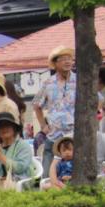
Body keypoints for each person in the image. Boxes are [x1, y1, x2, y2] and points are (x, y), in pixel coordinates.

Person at [33, 45, 77, 175]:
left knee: (74, 175)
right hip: (54, 135)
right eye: (63, 59)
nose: (68, 62)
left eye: (69, 58)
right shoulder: (48, 83)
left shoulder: (80, 80)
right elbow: (36, 105)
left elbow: (97, 100)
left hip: (75, 135)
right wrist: (43, 125)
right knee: (47, 176)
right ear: (55, 63)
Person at [0, 111, 33, 193]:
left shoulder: (23, 146)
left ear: (14, 129)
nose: (4, 129)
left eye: (7, 125)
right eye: (0, 127)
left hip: (18, 184)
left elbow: (19, 168)